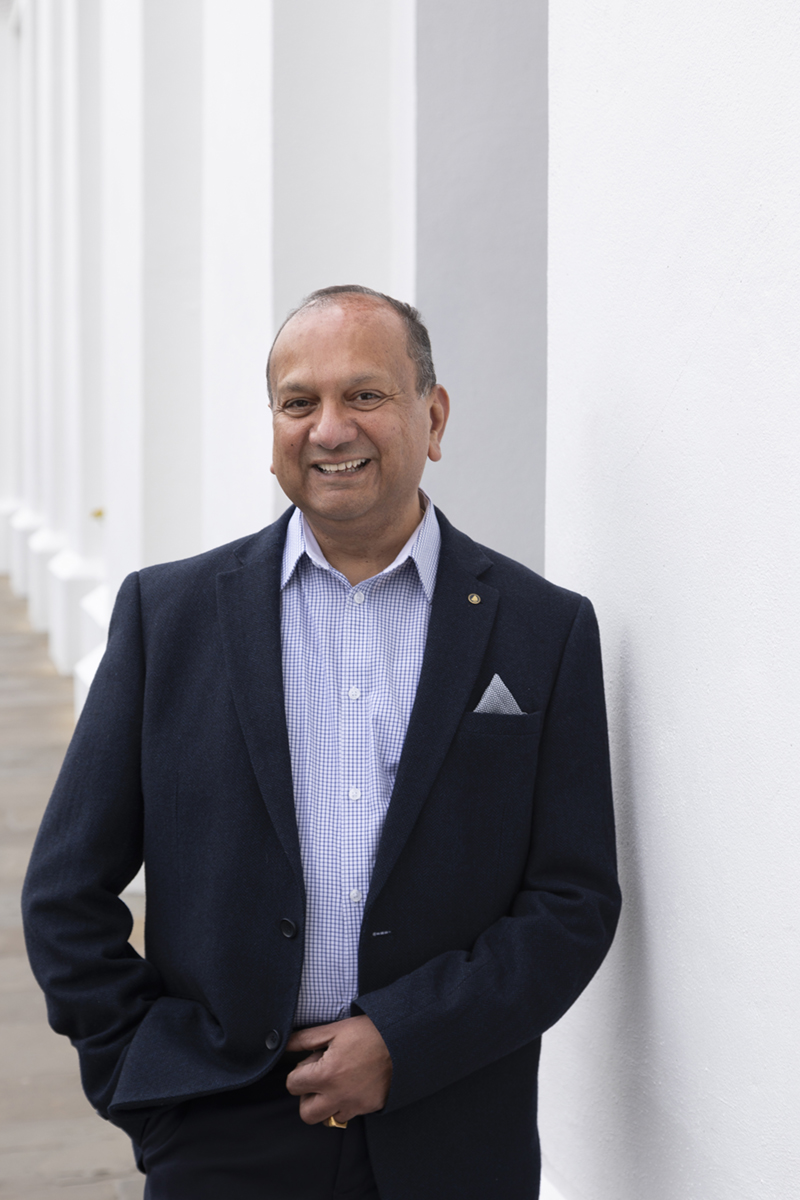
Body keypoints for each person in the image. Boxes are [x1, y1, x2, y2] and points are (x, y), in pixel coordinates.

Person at [22, 285, 621, 1199]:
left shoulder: (543, 631)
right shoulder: (168, 617)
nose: (329, 428)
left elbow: (572, 899)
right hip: (222, 1128)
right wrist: (145, 1080)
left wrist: (407, 1040)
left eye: (366, 396)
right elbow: (66, 890)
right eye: (298, 402)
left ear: (434, 412)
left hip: (452, 1132)